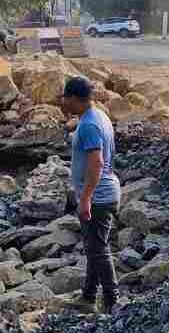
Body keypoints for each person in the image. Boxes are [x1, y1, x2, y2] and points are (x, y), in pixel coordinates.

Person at [60, 77, 121, 314]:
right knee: (94, 248)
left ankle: (112, 302)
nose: (64, 102)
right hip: (104, 192)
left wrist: (85, 197)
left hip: (98, 197)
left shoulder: (89, 125)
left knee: (98, 250)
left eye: (66, 98)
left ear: (74, 98)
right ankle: (88, 296)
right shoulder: (97, 116)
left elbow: (96, 162)